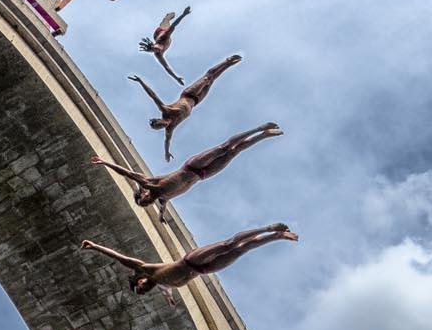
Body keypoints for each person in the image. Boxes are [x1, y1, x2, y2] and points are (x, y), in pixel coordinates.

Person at [91, 123, 283, 212]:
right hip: (203, 175)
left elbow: (127, 173)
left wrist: (104, 162)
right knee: (234, 152)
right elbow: (163, 209)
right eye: (146, 205)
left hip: (192, 166)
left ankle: (258, 128)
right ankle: (264, 136)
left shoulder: (150, 185)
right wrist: (161, 217)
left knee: (224, 147)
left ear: (142, 195)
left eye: (143, 202)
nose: (147, 203)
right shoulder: (164, 198)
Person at [79, 223, 298, 299]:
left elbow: (121, 258)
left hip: (191, 260)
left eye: (141, 287)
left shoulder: (147, 270)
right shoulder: (163, 285)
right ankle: (276, 237)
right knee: (241, 251)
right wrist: (169, 298)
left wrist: (95, 247)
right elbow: (167, 290)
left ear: (139, 280)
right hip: (204, 270)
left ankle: (268, 229)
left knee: (228, 245)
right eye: (144, 291)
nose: (145, 288)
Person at [129, 56, 242, 161]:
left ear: (159, 120)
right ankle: (228, 65)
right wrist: (166, 153)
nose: (163, 126)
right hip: (196, 101)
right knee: (211, 81)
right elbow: (167, 141)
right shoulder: (170, 128)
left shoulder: (166, 111)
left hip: (189, 94)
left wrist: (141, 82)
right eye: (160, 128)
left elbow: (153, 96)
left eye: (159, 124)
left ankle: (227, 61)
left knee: (208, 77)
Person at [140, 7, 191, 84]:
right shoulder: (158, 54)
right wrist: (176, 78)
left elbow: (173, 25)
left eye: (156, 49)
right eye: (155, 51)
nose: (158, 51)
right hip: (159, 38)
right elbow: (166, 67)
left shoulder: (164, 36)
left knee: (166, 21)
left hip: (160, 31)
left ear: (156, 44)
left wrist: (183, 14)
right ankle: (167, 19)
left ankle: (167, 17)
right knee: (166, 26)